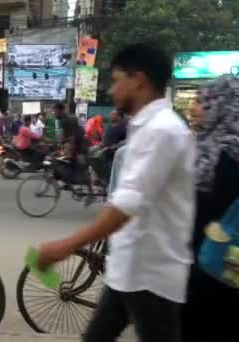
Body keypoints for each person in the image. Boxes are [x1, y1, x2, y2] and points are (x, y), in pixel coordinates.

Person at [38, 44, 195, 342]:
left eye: (116, 79)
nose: (112, 90)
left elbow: (128, 204)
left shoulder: (162, 130)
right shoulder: (146, 126)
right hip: (130, 268)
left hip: (152, 275)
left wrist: (66, 245)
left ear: (138, 80)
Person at [182, 77, 239, 342]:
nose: (194, 108)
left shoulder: (220, 156)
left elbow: (197, 214)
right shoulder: (214, 149)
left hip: (208, 269)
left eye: (204, 103)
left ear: (222, 107)